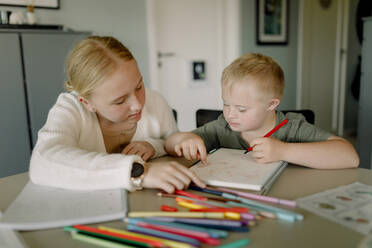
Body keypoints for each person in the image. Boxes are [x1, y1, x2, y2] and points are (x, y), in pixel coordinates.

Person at [29, 36, 205, 193]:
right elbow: (43, 162)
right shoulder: (71, 108)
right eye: (120, 101)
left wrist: (155, 146)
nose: (138, 105)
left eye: (139, 87)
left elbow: (170, 141)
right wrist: (138, 171)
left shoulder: (155, 101)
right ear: (87, 103)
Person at [165, 53, 360, 169]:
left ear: (271, 104)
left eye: (241, 109)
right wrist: (182, 140)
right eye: (226, 104)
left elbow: (349, 157)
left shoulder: (292, 127)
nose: (230, 114)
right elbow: (170, 144)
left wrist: (284, 150)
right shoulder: (222, 127)